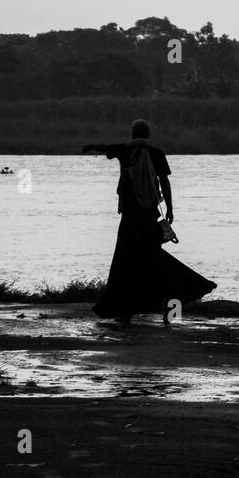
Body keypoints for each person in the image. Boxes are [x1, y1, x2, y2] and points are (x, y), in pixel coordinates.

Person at [82, 119, 215, 324]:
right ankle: (170, 310)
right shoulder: (156, 154)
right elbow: (165, 182)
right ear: (148, 134)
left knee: (125, 265)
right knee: (155, 262)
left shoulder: (125, 152)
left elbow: (104, 147)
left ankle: (125, 313)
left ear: (132, 134)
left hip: (129, 220)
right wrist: (170, 208)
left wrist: (90, 147)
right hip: (149, 218)